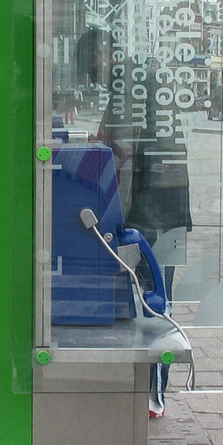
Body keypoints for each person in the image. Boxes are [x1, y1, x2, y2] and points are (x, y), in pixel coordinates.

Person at [76, 28, 191, 417]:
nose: (94, 76)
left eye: (91, 66)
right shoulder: (138, 83)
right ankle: (154, 393)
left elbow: (127, 152)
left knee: (150, 302)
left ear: (100, 56)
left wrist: (117, 217)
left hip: (151, 211)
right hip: (165, 207)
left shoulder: (130, 89)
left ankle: (152, 396)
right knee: (158, 297)